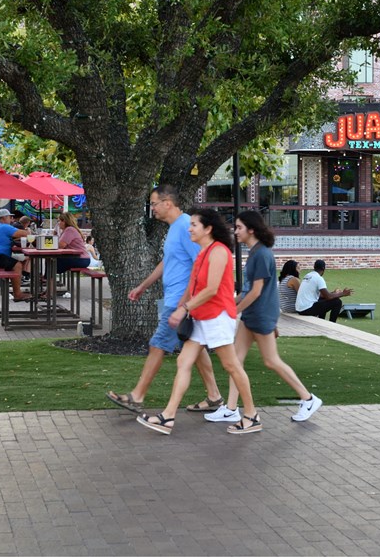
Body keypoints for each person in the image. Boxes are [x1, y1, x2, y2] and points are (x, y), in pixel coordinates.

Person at [137, 208, 260, 435]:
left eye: (194, 225)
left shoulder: (219, 251)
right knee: (183, 362)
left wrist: (184, 308)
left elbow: (212, 289)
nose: (189, 229)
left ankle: (251, 416)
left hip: (217, 317)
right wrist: (181, 307)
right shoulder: (203, 252)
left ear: (208, 228)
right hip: (200, 317)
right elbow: (193, 286)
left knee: (231, 366)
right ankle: (168, 417)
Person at [107, 185, 223, 414]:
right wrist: (143, 286)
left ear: (167, 203)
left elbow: (200, 265)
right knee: (194, 348)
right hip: (176, 300)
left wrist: (184, 303)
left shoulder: (187, 226)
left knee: (157, 344)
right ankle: (214, 397)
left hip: (178, 302)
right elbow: (167, 261)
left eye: (154, 204)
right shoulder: (174, 228)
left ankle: (137, 397)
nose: (152, 208)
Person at [205, 212, 321, 424]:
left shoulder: (261, 254)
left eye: (239, 227)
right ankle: (231, 409)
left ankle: (308, 399)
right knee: (235, 361)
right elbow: (247, 291)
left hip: (260, 314)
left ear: (251, 229)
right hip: (252, 314)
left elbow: (256, 292)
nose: (235, 231)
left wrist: (234, 311)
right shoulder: (255, 253)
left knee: (271, 360)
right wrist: (228, 305)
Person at [0, 208, 32, 301]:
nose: (12, 219)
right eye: (10, 217)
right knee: (17, 265)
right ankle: (17, 294)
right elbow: (23, 233)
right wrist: (29, 231)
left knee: (18, 261)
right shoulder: (4, 227)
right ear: (4, 218)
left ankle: (18, 284)